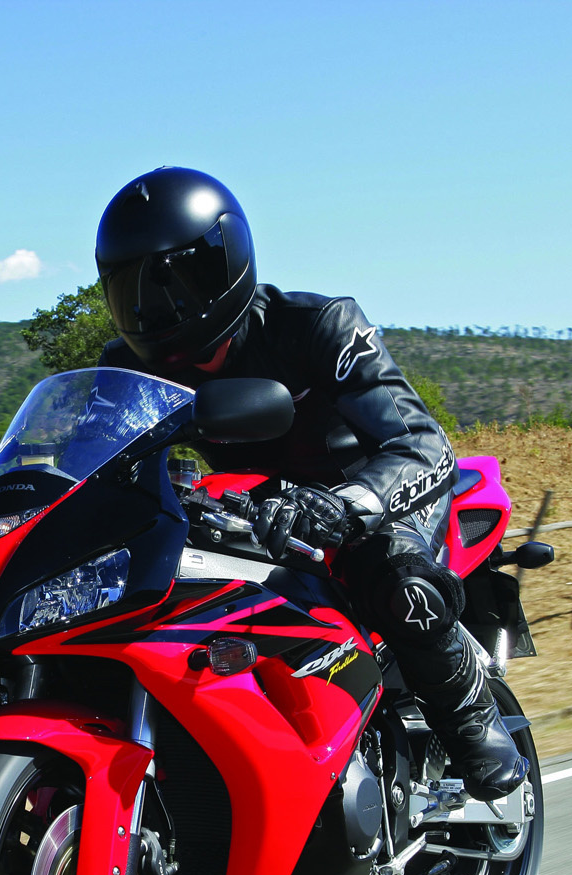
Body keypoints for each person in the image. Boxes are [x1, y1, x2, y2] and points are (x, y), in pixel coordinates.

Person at [93, 166, 526, 801]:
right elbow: (99, 462)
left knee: (400, 581)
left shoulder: (320, 327)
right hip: (256, 511)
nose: (155, 307)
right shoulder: (124, 368)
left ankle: (472, 723)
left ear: (224, 262)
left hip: (373, 497)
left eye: (172, 280)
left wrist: (351, 504)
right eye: (131, 287)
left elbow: (422, 444)